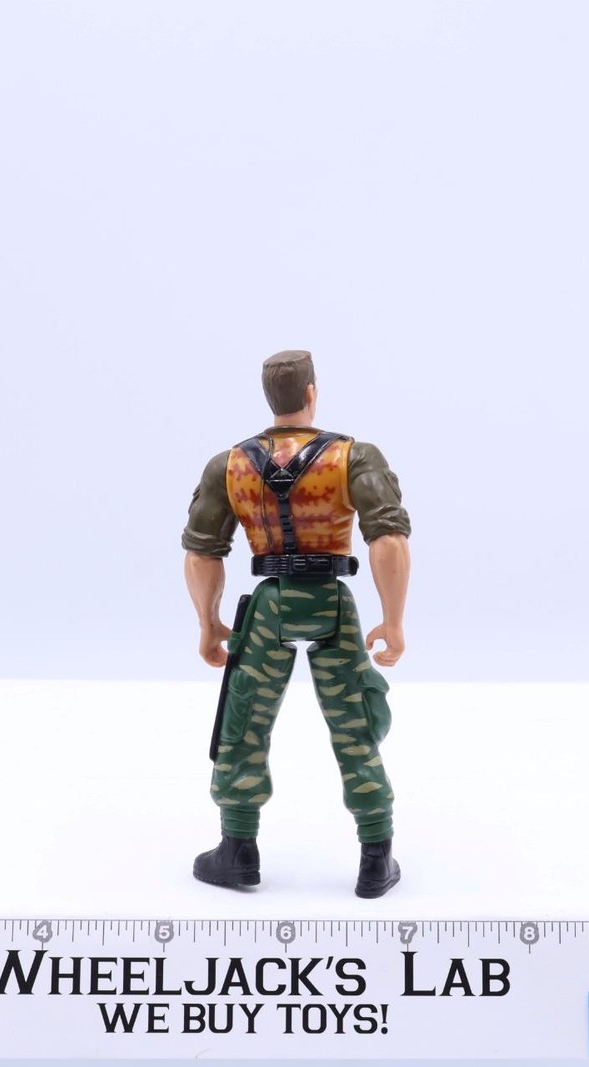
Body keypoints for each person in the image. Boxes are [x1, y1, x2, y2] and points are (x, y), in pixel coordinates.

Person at [181, 350, 412, 897]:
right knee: (354, 722)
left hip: (269, 606)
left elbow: (202, 551)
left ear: (271, 398)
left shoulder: (230, 464)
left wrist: (208, 623)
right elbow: (388, 538)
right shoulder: (353, 456)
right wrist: (393, 620)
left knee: (244, 720)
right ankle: (375, 856)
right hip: (332, 602)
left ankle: (238, 848)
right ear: (311, 393)